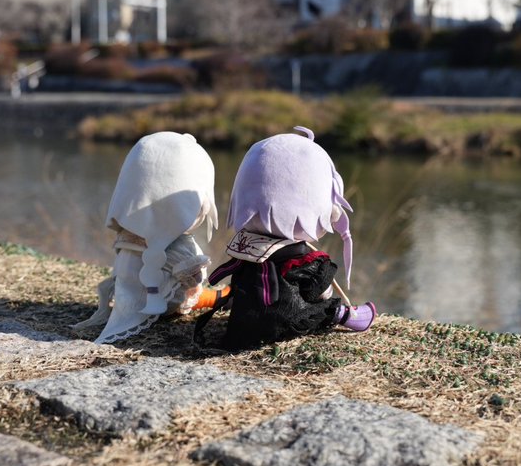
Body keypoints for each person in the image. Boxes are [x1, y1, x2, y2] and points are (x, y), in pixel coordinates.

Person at [197, 127, 375, 349]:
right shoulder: (303, 257)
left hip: (241, 324)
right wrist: (325, 280)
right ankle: (346, 315)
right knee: (325, 310)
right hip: (281, 322)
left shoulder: (247, 244)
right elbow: (315, 289)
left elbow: (233, 274)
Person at [74, 132, 218, 344]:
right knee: (197, 285)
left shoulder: (129, 231)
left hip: (128, 291)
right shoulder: (180, 244)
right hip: (163, 303)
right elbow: (189, 278)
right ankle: (213, 297)